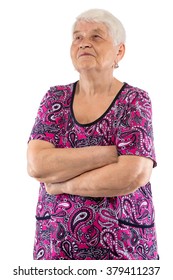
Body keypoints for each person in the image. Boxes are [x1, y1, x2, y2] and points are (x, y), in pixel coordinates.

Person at [27, 8, 159, 260]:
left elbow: (132, 174)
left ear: (119, 51)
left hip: (121, 250)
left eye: (96, 36)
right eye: (77, 37)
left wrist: (63, 184)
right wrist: (109, 154)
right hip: (56, 248)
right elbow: (37, 165)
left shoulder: (134, 100)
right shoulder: (55, 98)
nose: (84, 42)